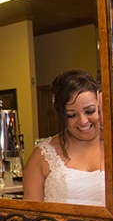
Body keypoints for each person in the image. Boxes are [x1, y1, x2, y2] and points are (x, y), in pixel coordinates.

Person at [23, 70, 105, 206]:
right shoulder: (43, 155)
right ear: (61, 116)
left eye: (90, 111)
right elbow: (30, 214)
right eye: (72, 115)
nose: (83, 121)